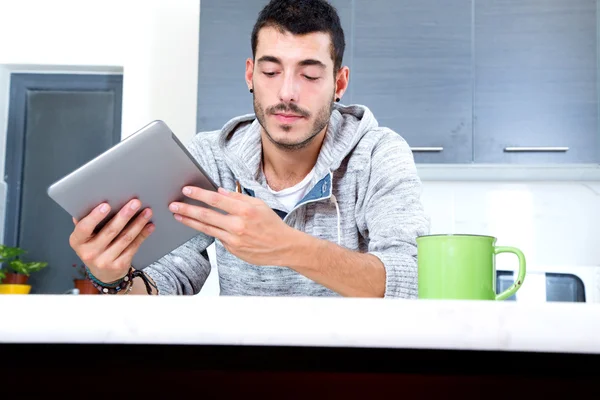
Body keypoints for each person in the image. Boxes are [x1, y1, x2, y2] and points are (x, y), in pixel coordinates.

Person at [68, 0, 430, 298]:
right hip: (246, 370)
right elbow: (168, 284)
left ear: (339, 83)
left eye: (309, 74)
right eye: (271, 72)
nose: (287, 92)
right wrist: (112, 276)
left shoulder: (378, 154)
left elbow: (414, 280)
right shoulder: (211, 158)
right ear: (249, 76)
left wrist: (287, 246)